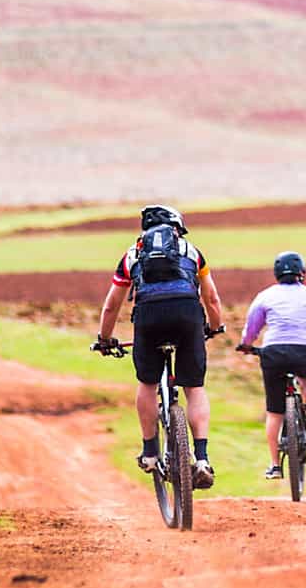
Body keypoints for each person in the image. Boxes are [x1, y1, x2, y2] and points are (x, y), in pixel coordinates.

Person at [93, 204, 225, 488]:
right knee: (194, 387)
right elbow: (211, 298)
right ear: (177, 227)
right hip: (187, 315)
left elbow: (112, 304)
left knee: (148, 383)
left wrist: (104, 339)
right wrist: (215, 327)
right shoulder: (192, 251)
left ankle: (150, 452)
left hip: (149, 317)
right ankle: (201, 458)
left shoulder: (132, 254)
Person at [236, 250, 306, 480]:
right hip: (305, 351)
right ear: (302, 273)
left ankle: (275, 465)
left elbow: (252, 326)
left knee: (274, 413)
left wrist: (246, 344)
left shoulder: (265, 296)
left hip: (273, 352)